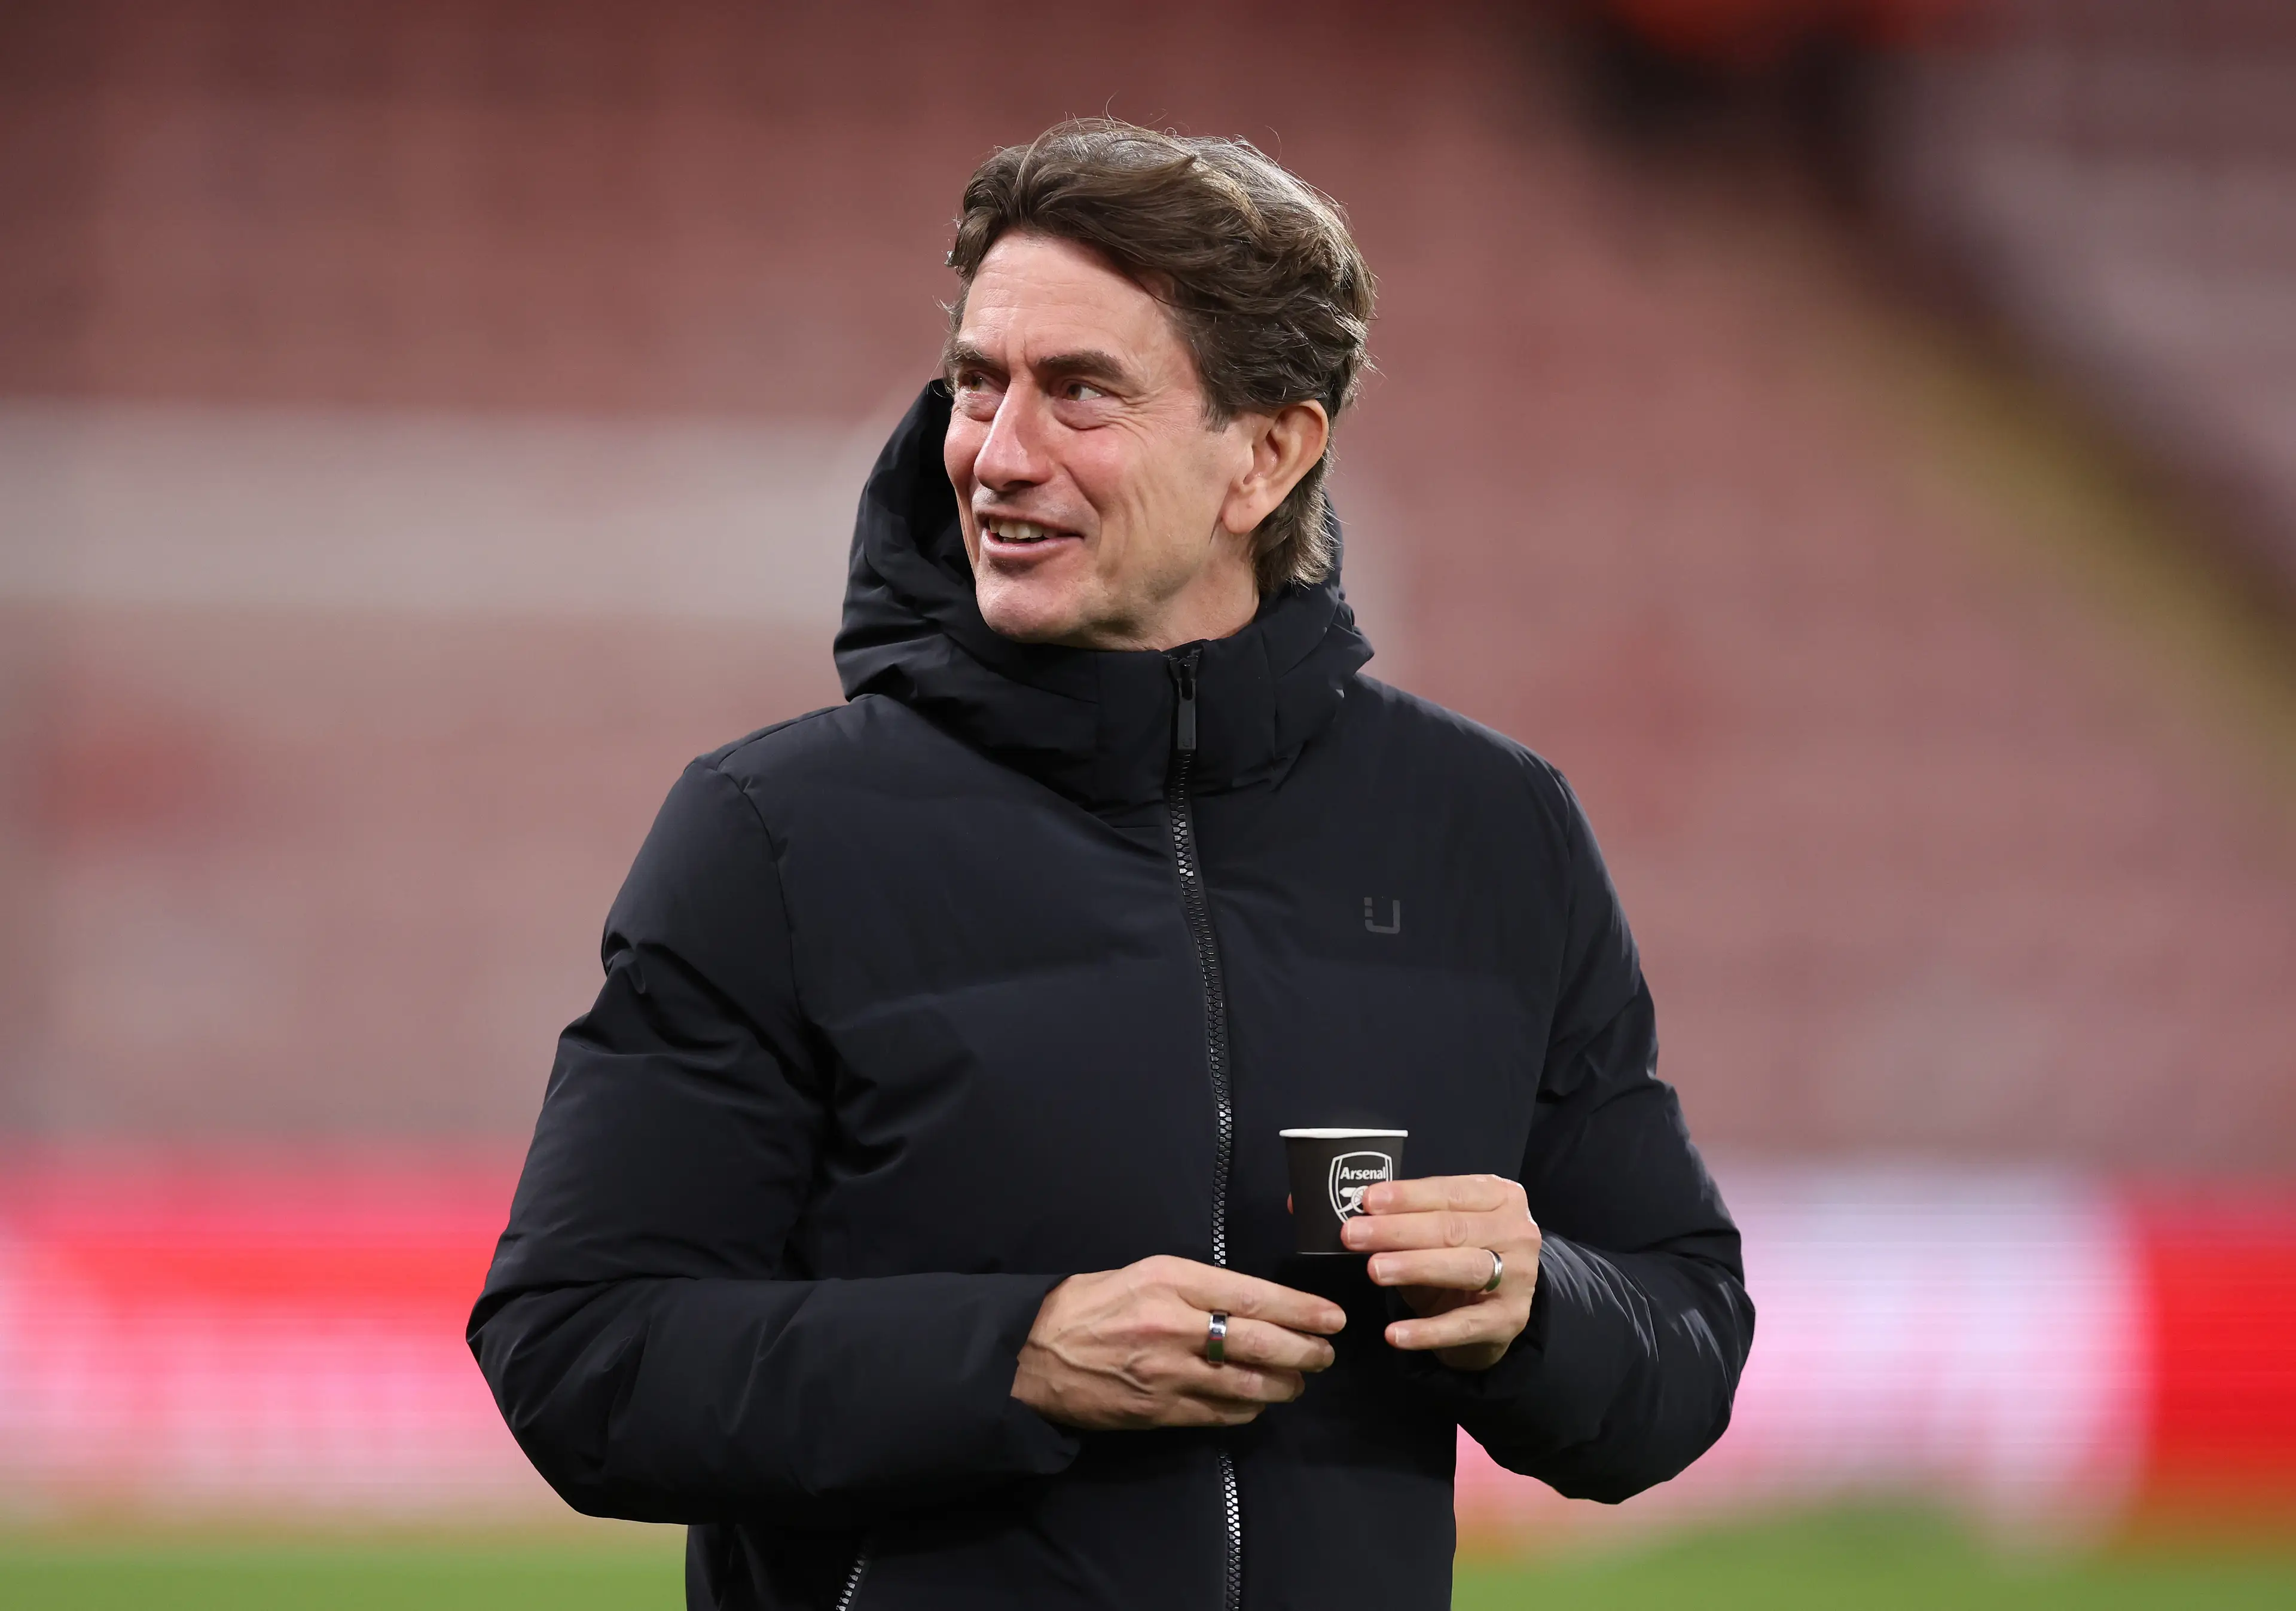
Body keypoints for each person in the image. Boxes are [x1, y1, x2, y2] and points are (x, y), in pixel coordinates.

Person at [470, 119, 1752, 1611]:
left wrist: (1540, 1305)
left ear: (1266, 455)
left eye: (1080, 392)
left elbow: (1685, 1337)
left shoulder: (1492, 830)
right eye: (977, 384)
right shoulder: (776, 832)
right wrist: (1017, 1355)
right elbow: (578, 1351)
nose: (997, 454)